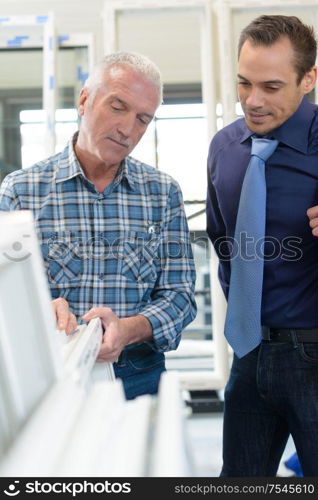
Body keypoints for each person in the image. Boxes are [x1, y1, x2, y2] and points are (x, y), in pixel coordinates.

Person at [0, 52, 197, 400]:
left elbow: (180, 297)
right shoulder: (21, 191)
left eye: (143, 119)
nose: (127, 129)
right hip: (51, 376)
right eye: (118, 107)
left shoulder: (162, 193)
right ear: (84, 100)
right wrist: (42, 311)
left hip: (138, 375)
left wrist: (128, 329)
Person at [207, 14, 318, 476]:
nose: (253, 101)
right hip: (249, 353)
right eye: (243, 83)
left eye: (271, 87)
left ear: (308, 78)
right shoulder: (225, 146)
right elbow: (222, 238)